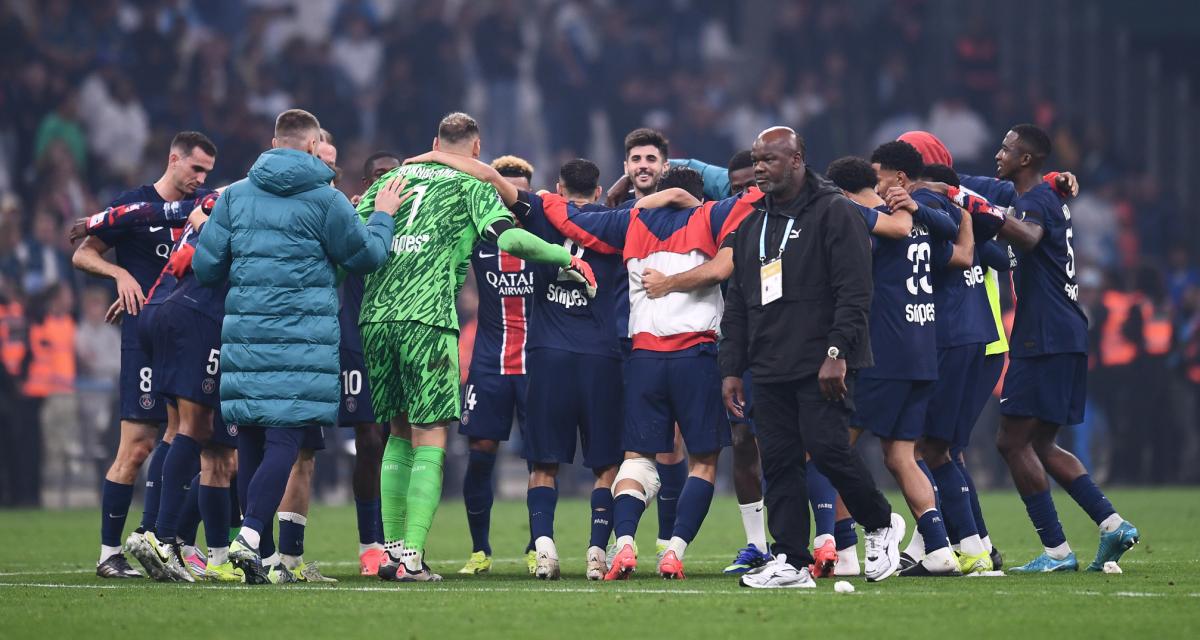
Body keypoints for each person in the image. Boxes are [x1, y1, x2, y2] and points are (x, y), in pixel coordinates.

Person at [354, 112, 597, 583]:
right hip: (425, 319)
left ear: (434, 141)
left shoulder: (396, 177)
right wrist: (565, 256)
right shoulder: (469, 184)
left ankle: (389, 552)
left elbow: (354, 237)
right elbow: (510, 238)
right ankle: (411, 559)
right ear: (477, 148)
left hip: (376, 319)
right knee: (430, 436)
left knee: (397, 434)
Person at [524, 161, 762, 581]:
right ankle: (674, 550)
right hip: (696, 355)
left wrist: (546, 199)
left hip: (644, 359)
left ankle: (627, 542)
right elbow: (758, 195)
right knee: (703, 463)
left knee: (636, 460)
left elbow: (569, 219)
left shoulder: (628, 222)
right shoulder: (711, 214)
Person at [192, 108, 399, 585]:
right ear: (312, 147)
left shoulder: (235, 196)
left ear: (273, 141)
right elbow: (366, 256)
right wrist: (383, 217)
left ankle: (262, 559)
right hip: (303, 342)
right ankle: (248, 539)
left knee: (250, 440)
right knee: (285, 440)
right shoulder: (327, 201)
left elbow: (206, 269)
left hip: (245, 338)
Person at [412, 151, 628, 581]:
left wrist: (436, 155)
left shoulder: (544, 217)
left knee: (544, 463)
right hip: (557, 359)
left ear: (554, 190)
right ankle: (578, 552)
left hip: (544, 359)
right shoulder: (612, 222)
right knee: (597, 464)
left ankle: (541, 549)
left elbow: (488, 175)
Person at [720, 127, 905, 589]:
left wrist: (838, 352)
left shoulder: (836, 211)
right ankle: (791, 561)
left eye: (770, 159)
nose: (760, 168)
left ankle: (881, 523)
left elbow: (855, 291)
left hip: (822, 360)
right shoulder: (751, 224)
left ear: (798, 159)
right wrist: (731, 369)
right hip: (768, 362)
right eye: (757, 160)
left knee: (826, 448)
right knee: (779, 461)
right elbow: (739, 302)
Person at [990, 124, 1139, 572]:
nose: (999, 154)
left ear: (1027, 160)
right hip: (1065, 331)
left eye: (1007, 149)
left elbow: (1031, 237)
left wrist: (992, 216)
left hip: (1045, 335)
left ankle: (1056, 551)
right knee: (1040, 441)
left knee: (1011, 441)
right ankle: (1112, 525)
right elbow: (982, 190)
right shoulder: (1042, 194)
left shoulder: (1034, 201)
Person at [72, 131, 216, 579]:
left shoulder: (201, 209)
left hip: (189, 338)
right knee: (138, 446)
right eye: (195, 168)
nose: (201, 178)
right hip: (144, 337)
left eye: (207, 172)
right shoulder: (134, 204)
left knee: (190, 437)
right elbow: (83, 253)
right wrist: (119, 274)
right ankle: (108, 553)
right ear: (173, 159)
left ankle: (160, 539)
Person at [456, 156, 537, 576]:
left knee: (540, 459)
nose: (508, 200)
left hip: (533, 365)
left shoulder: (545, 235)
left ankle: (537, 544)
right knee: (480, 452)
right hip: (488, 364)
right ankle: (480, 550)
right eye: (500, 190)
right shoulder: (477, 239)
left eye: (516, 192)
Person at [342, 150, 401, 576]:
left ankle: (402, 545)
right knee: (370, 441)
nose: (388, 181)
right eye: (380, 175)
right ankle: (370, 545)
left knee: (403, 441)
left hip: (403, 341)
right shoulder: (352, 219)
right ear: (366, 184)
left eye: (394, 175)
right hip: (358, 340)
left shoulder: (420, 223)